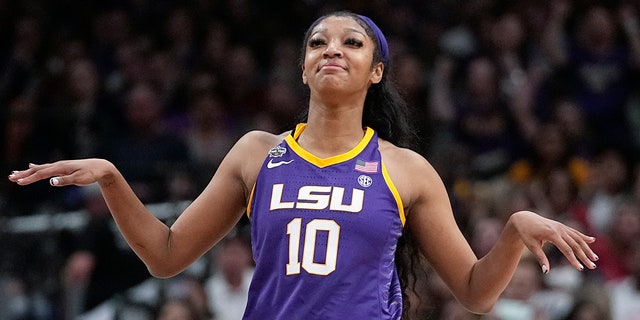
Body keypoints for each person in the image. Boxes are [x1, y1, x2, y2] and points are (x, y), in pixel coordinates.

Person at [8, 11, 598, 320]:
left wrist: (516, 229)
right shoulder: (256, 153)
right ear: (303, 68)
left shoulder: (406, 169)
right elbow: (166, 257)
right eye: (318, 43)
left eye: (351, 43)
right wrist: (113, 177)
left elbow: (473, 294)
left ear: (375, 72)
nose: (332, 50)